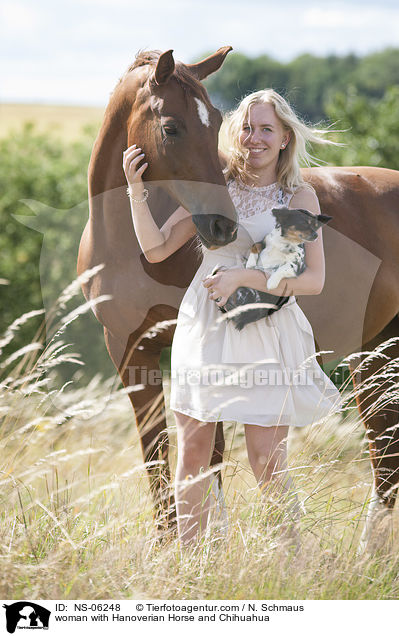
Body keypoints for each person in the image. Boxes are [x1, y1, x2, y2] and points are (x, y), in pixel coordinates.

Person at [123, 89, 342, 545]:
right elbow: (156, 248)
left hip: (267, 331)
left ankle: (290, 561)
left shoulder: (298, 197)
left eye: (266, 129)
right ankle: (192, 566)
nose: (255, 137)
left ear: (284, 138)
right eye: (247, 127)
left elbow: (312, 280)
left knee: (266, 458)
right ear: (235, 134)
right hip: (204, 325)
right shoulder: (213, 189)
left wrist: (246, 275)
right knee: (194, 451)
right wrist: (136, 193)